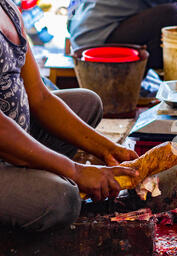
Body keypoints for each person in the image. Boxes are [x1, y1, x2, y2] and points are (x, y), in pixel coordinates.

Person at [0, 0, 140, 232]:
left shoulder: (8, 9)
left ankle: (31, 174)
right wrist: (75, 170)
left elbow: (41, 98)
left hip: (13, 139)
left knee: (87, 103)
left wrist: (109, 149)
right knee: (62, 199)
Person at [67, 0, 177, 71]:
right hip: (95, 44)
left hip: (85, 34)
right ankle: (152, 86)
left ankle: (147, 80)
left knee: (168, 15)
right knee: (171, 15)